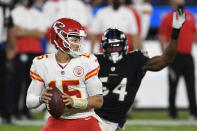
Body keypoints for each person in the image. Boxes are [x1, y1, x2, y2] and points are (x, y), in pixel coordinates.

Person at [95, 7, 185, 130]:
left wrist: (175, 32)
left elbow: (166, 59)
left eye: (117, 47)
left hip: (117, 121)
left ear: (125, 46)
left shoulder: (135, 60)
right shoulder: (94, 61)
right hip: (92, 117)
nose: (114, 50)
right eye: (111, 47)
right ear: (103, 47)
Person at [26, 18, 105, 131]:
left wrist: (74, 102)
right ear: (58, 39)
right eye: (74, 39)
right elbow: (29, 101)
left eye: (79, 40)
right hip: (57, 120)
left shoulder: (87, 61)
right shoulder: (41, 63)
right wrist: (40, 99)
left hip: (84, 119)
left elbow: (98, 101)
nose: (78, 44)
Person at [158, 0, 197, 120]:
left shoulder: (190, 16)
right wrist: (165, 56)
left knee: (191, 86)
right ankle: (173, 114)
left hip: (188, 56)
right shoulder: (168, 18)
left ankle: (193, 113)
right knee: (173, 86)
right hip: (174, 57)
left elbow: (194, 34)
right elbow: (162, 37)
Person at [11, 0, 48, 119]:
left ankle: (25, 110)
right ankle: (15, 110)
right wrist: (33, 31)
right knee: (17, 81)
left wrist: (24, 31)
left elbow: (41, 34)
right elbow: (15, 31)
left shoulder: (38, 13)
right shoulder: (16, 12)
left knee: (31, 83)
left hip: (35, 51)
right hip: (20, 50)